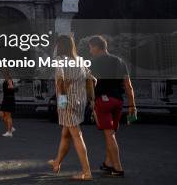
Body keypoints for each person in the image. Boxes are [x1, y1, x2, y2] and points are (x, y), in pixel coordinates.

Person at [48, 35, 95, 181]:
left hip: (67, 102)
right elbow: (92, 79)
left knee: (77, 135)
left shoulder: (59, 60)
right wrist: (91, 100)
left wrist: (61, 103)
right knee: (66, 134)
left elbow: (60, 82)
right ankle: (57, 163)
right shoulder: (80, 60)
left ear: (59, 46)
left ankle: (87, 172)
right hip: (80, 101)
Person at [88, 35, 136, 178]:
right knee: (112, 134)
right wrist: (133, 105)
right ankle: (108, 163)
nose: (90, 50)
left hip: (103, 102)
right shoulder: (120, 61)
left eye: (90, 47)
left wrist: (91, 102)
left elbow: (90, 85)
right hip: (118, 101)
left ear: (96, 47)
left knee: (109, 135)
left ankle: (118, 168)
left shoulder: (93, 63)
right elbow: (129, 86)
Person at [0, 70, 16, 137]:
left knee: (8, 116)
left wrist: (11, 87)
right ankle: (11, 127)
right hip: (5, 99)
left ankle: (9, 132)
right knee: (1, 114)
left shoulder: (9, 80)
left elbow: (12, 88)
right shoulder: (6, 80)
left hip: (9, 99)